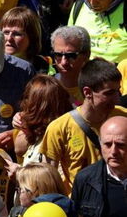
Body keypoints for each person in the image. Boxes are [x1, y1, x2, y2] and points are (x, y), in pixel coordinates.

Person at [42, 58, 127, 193]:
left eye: (118, 91)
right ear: (87, 92)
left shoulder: (123, 117)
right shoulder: (59, 128)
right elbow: (48, 178)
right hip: (80, 203)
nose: (117, 99)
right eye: (109, 93)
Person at [71, 115, 127, 217]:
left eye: (120, 145)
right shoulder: (86, 180)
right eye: (107, 144)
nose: (113, 151)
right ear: (100, 145)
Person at [12, 74, 72, 165]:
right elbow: (19, 149)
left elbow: (48, 173)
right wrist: (25, 129)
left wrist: (17, 170)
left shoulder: (59, 136)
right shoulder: (39, 130)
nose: (25, 103)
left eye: (28, 99)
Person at [1, 6, 48, 73]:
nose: (9, 38)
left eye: (17, 34)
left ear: (32, 37)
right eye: (6, 32)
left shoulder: (42, 68)